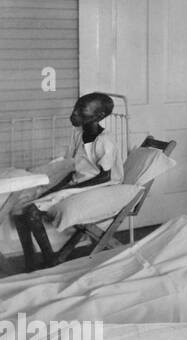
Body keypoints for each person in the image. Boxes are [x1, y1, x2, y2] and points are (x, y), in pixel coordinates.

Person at [13, 92, 124, 270]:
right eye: (75, 108)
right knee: (19, 210)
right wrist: (55, 189)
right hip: (80, 181)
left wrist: (70, 189)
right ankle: (30, 260)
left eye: (81, 110)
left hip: (101, 186)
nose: (73, 114)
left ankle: (50, 260)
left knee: (32, 212)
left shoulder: (105, 141)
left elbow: (106, 176)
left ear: (99, 116)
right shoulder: (78, 134)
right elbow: (76, 168)